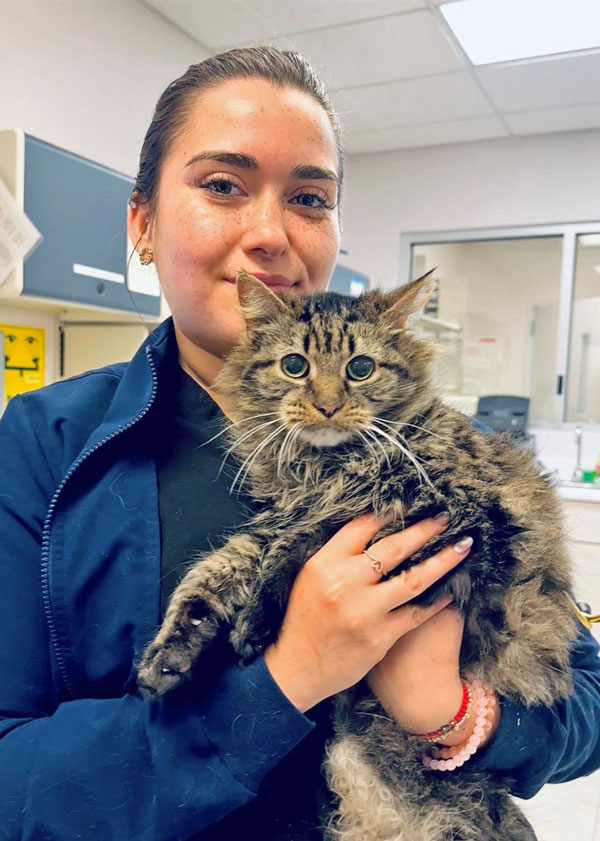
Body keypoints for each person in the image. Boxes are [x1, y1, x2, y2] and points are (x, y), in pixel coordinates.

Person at [0, 46, 599, 841]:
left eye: (310, 197)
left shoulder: (428, 444)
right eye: (222, 185)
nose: (271, 233)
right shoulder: (46, 442)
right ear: (141, 223)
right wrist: (286, 679)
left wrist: (456, 713)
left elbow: (584, 699)